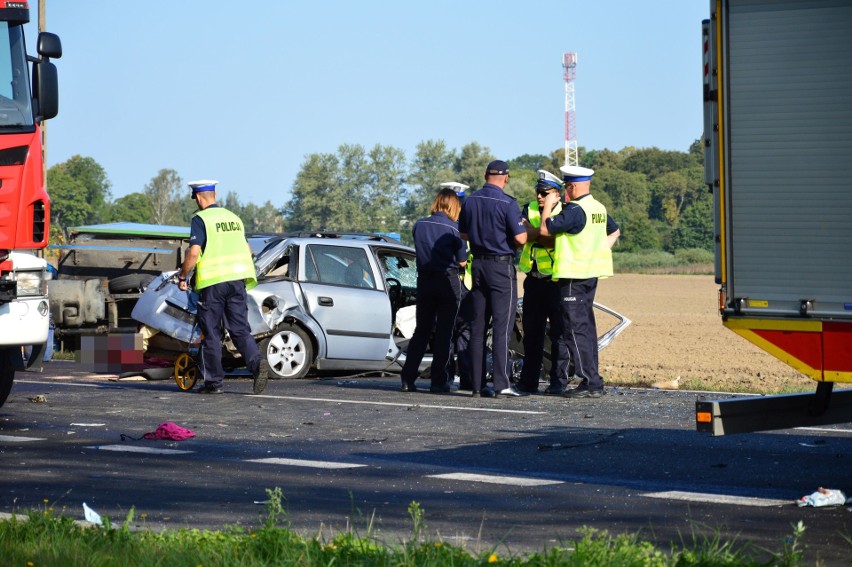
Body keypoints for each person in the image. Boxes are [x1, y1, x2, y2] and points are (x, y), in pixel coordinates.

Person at [176, 179, 270, 395]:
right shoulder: (234, 218)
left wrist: (183, 276)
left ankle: (213, 382)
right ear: (215, 196)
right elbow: (247, 249)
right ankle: (256, 364)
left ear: (198, 198)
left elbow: (193, 252)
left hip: (213, 283)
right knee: (239, 329)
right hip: (237, 281)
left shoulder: (201, 219)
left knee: (211, 333)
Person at [539, 165, 620, 399]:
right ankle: (593, 380)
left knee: (574, 330)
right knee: (586, 329)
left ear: (572, 187)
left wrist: (548, 207)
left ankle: (590, 381)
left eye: (565, 187)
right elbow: (615, 232)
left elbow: (546, 228)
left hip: (573, 276)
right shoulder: (598, 208)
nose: (564, 191)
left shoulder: (575, 210)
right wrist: (597, 251)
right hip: (590, 275)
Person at [458, 160, 528, 398]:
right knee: (502, 326)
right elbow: (520, 239)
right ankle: (502, 384)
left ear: (485, 175)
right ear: (506, 178)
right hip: (500, 267)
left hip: (477, 265)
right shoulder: (508, 203)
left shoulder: (470, 201)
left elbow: (463, 233)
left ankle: (477, 385)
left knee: (478, 328)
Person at [400, 188, 467, 393]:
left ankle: (407, 379)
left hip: (425, 281)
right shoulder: (456, 229)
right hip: (447, 281)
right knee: (444, 333)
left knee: (421, 331)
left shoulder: (419, 225)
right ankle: (439, 381)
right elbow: (462, 261)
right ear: (454, 205)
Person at [516, 169, 565, 395]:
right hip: (533, 280)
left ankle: (558, 382)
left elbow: (552, 237)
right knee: (532, 334)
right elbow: (524, 235)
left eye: (544, 193)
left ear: (556, 193)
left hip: (556, 281)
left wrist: (537, 232)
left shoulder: (566, 211)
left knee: (558, 335)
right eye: (538, 192)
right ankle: (528, 381)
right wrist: (540, 233)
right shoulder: (528, 208)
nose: (539, 197)